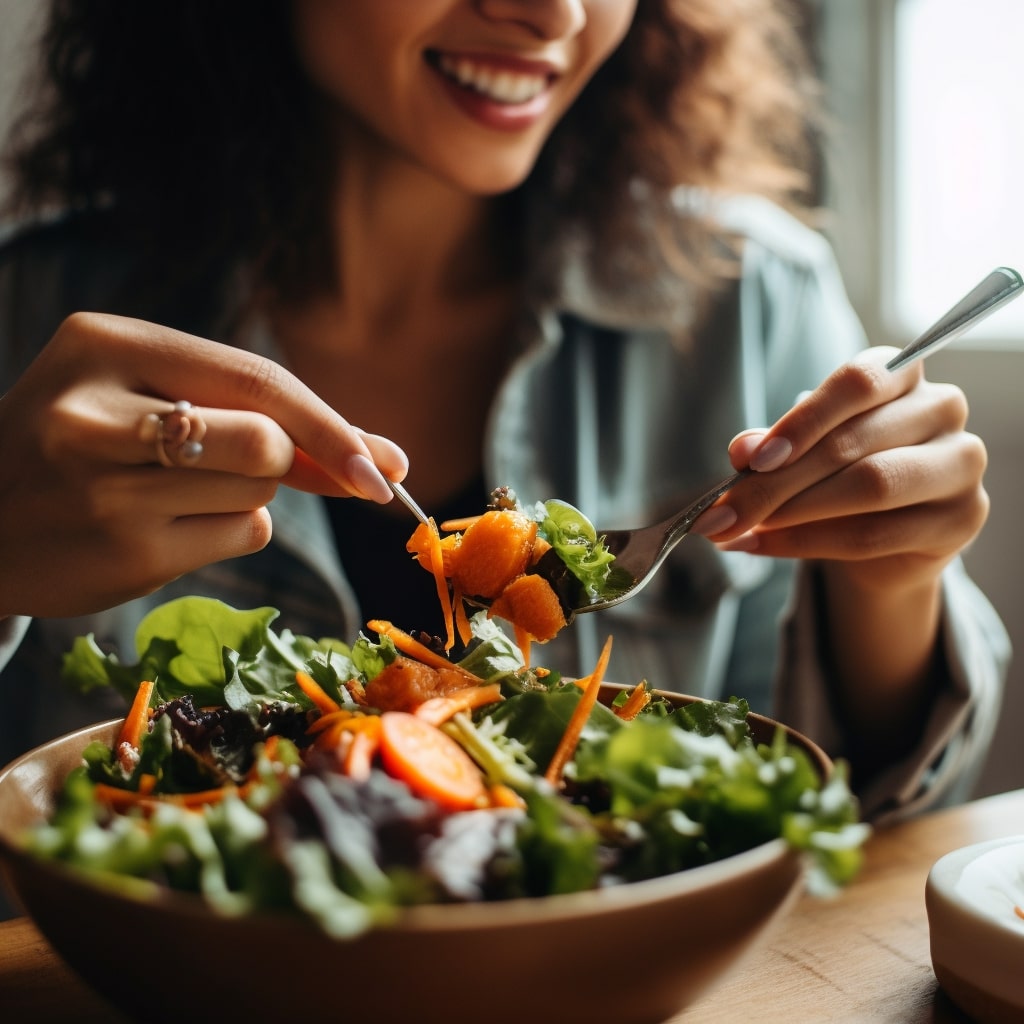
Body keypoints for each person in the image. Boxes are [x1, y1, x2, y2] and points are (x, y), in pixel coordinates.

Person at [0, 0, 1008, 834]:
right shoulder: (28, 315)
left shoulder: (751, 301)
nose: (553, 14)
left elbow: (838, 821)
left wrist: (890, 582)